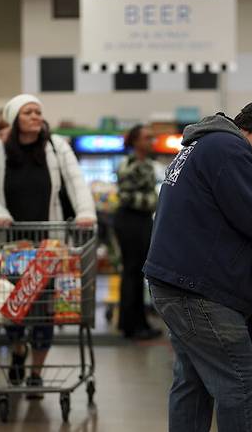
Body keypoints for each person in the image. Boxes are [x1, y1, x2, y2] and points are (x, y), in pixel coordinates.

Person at [143, 98, 252, 432]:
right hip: (198, 290)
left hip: (175, 281)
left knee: (192, 383)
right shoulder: (229, 149)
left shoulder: (204, 145)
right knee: (241, 382)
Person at [0, 94, 96, 396]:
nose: (36, 116)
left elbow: (77, 182)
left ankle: (36, 374)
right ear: (15, 118)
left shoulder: (57, 148)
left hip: (50, 247)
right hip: (12, 248)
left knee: (45, 312)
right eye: (29, 112)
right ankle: (17, 349)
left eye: (39, 112)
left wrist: (85, 213)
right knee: (14, 310)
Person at [114, 124, 162, 340]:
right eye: (146, 138)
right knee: (132, 272)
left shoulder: (147, 165)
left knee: (137, 272)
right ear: (134, 141)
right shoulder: (130, 165)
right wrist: (155, 201)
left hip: (141, 221)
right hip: (130, 220)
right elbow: (125, 197)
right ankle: (130, 325)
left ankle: (138, 322)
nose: (150, 142)